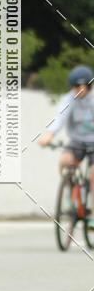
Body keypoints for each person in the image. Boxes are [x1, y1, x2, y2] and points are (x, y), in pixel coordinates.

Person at [38, 64, 94, 218]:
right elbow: (60, 118)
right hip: (77, 141)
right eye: (75, 86)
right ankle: (73, 194)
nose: (78, 89)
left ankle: (93, 216)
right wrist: (50, 135)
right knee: (64, 161)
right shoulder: (69, 99)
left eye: (81, 86)